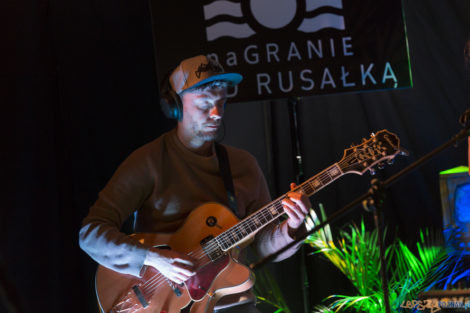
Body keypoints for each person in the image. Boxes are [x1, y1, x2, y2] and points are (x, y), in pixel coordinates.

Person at [79, 54, 311, 313]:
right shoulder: (148, 162)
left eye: (221, 103)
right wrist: (154, 259)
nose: (216, 114)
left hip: (231, 302)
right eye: (204, 104)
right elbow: (91, 236)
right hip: (166, 304)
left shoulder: (243, 165)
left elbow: (265, 248)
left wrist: (292, 226)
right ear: (175, 105)